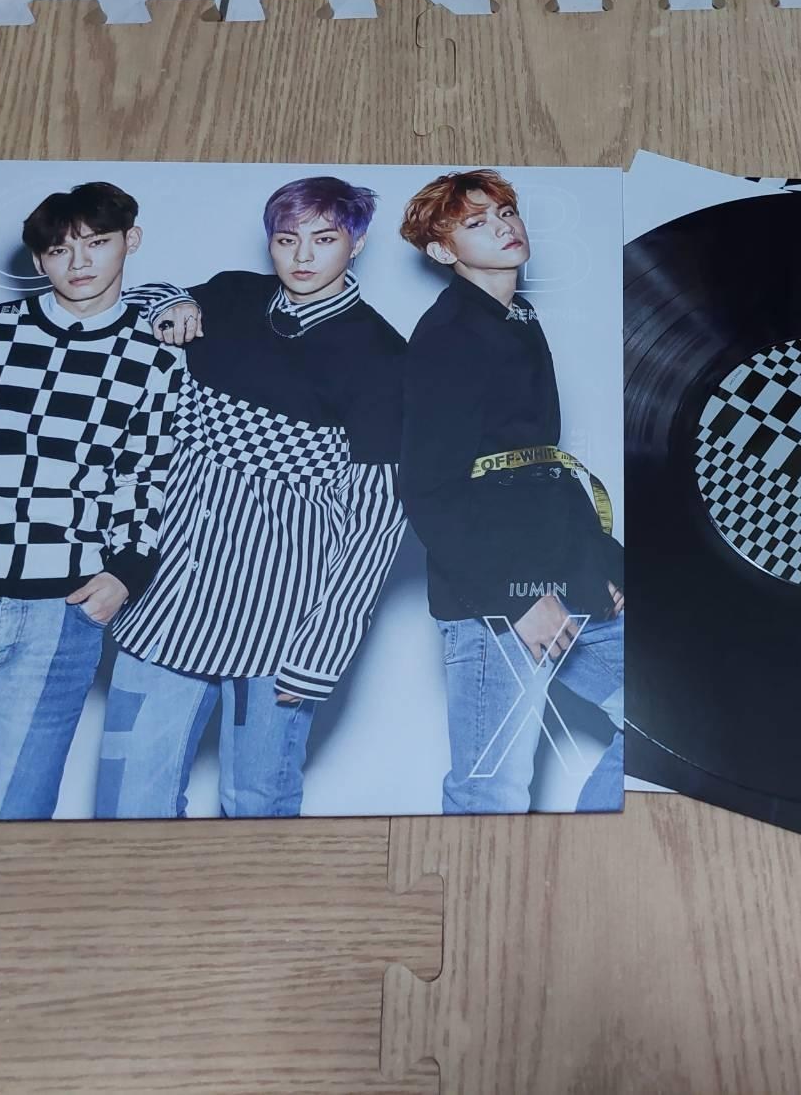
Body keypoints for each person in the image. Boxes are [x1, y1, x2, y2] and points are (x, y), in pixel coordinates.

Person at [96, 176, 407, 819]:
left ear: (356, 244)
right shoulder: (234, 295)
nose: (302, 256)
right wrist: (169, 304)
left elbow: (378, 518)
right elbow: (129, 302)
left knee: (257, 804)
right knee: (128, 801)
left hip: (282, 617)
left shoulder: (384, 356)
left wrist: (324, 645)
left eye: (324, 240)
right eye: (286, 239)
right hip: (168, 595)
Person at [0, 182, 180, 820]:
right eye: (60, 250)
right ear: (39, 261)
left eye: (97, 243)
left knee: (6, 824)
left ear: (131, 242)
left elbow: (145, 474)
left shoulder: (156, 361)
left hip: (57, 620)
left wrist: (127, 571)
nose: (80, 262)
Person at [399, 169, 624, 815]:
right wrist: (513, 598)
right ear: (442, 250)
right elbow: (426, 488)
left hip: (567, 574)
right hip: (495, 600)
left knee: (663, 725)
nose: (503, 228)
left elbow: (535, 466)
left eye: (505, 212)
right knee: (489, 791)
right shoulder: (447, 334)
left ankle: (588, 861)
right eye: (477, 223)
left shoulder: (516, 316)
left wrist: (599, 561)